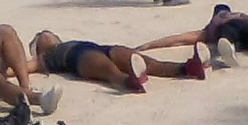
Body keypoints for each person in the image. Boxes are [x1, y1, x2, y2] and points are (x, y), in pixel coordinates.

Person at [26, 31, 209, 93]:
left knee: (146, 61)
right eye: (41, 36)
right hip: (76, 58)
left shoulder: (66, 42)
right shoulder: (44, 59)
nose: (46, 35)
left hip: (102, 48)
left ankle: (187, 68)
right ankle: (129, 81)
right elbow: (23, 68)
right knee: (109, 71)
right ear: (39, 49)